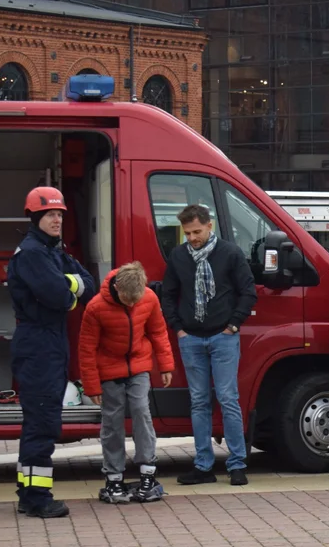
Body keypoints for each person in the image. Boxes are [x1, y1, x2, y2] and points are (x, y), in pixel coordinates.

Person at [8, 186, 95, 518]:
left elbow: (87, 283)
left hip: (50, 343)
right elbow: (60, 296)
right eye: (50, 214)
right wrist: (69, 287)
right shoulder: (32, 254)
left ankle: (31, 491)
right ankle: (36, 497)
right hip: (38, 345)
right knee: (41, 422)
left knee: (44, 421)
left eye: (59, 214)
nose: (57, 219)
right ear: (35, 217)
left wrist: (67, 285)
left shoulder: (53, 252)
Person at [162, 203, 257, 487]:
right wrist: (178, 328)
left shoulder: (230, 253)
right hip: (191, 338)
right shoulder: (178, 256)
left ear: (210, 226)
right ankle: (203, 466)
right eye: (187, 233)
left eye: (197, 231)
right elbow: (168, 294)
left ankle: (237, 464)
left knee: (228, 399)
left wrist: (234, 324)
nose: (192, 238)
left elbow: (248, 291)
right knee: (199, 402)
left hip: (222, 336)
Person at [79, 262, 175, 504]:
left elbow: (158, 331)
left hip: (139, 366)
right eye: (126, 300)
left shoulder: (149, 298)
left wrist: (166, 365)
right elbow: (87, 349)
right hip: (109, 369)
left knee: (142, 412)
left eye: (135, 300)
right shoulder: (95, 307)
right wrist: (92, 386)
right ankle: (114, 477)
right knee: (112, 421)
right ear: (117, 288)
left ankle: (147, 473)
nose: (131, 305)